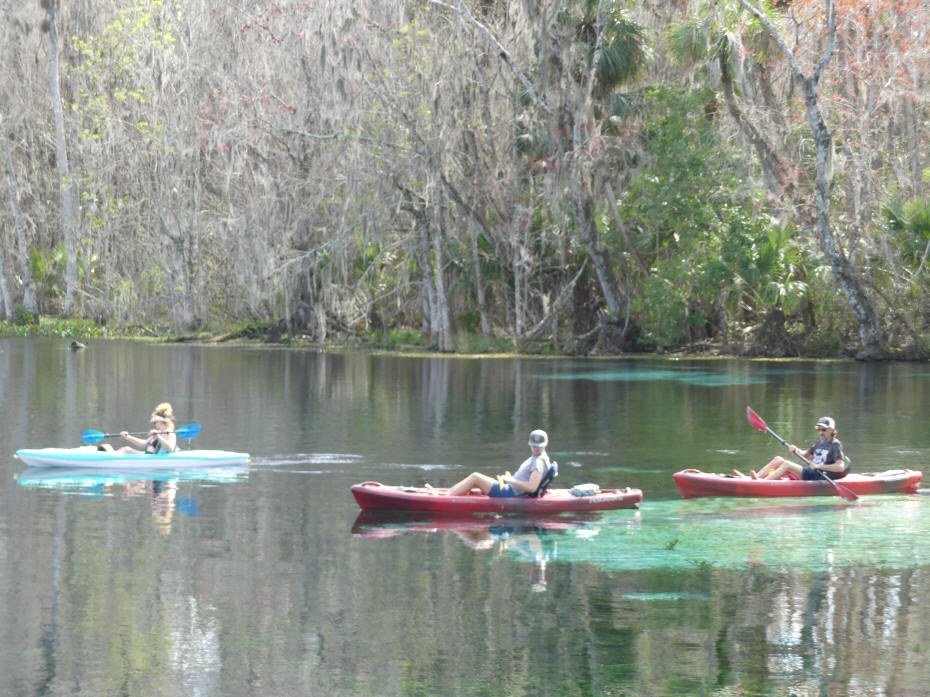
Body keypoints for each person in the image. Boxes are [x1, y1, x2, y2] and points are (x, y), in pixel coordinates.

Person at [436, 429, 551, 497]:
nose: (535, 448)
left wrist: (511, 480)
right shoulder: (539, 458)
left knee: (475, 477)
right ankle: (448, 493)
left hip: (510, 493)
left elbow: (532, 488)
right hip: (510, 489)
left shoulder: (538, 462)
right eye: (533, 446)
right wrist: (511, 480)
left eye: (538, 446)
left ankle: (446, 497)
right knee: (475, 482)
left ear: (545, 445)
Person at [748, 416, 848, 481]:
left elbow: (840, 467)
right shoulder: (819, 442)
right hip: (810, 472)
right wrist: (796, 449)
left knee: (787, 464)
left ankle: (763, 483)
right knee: (778, 459)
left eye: (824, 430)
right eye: (818, 429)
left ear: (831, 430)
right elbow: (806, 454)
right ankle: (756, 478)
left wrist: (818, 466)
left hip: (818, 475)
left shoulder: (835, 444)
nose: (820, 432)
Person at [113, 402, 179, 454]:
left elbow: (170, 448)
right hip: (149, 455)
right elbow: (143, 444)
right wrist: (128, 437)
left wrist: (158, 436)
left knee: (126, 450)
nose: (155, 424)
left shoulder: (170, 433)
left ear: (159, 422)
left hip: (156, 459)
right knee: (126, 449)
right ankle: (110, 454)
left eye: (155, 422)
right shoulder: (158, 432)